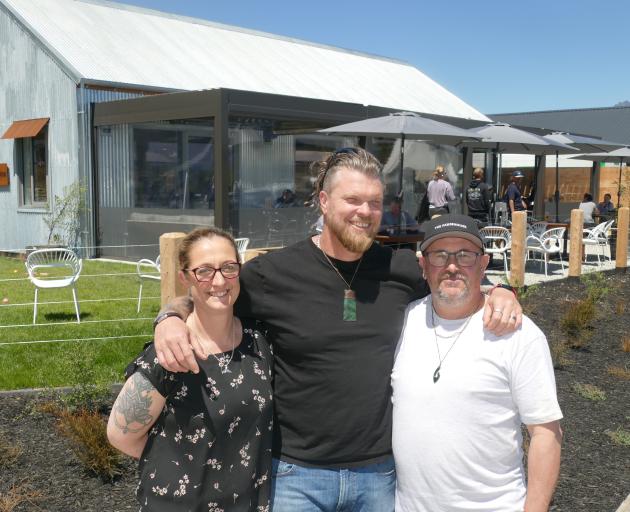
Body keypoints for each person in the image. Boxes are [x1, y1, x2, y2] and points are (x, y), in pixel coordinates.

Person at [152, 148, 522, 512]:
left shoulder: (402, 268)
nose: (365, 212)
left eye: (375, 202)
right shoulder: (273, 274)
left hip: (379, 473)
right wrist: (169, 318)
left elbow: (457, 281)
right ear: (324, 201)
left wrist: (501, 290)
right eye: (353, 199)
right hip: (296, 475)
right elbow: (213, 294)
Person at [392, 214, 563, 512]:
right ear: (423, 266)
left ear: (483, 265)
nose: (453, 266)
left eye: (465, 255)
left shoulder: (519, 334)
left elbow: (546, 433)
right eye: (440, 255)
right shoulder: (403, 321)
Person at [107, 227, 273, 511]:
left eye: (228, 268)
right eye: (204, 271)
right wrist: (178, 461)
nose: (219, 280)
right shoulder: (171, 353)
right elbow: (121, 435)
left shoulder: (258, 342)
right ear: (185, 278)